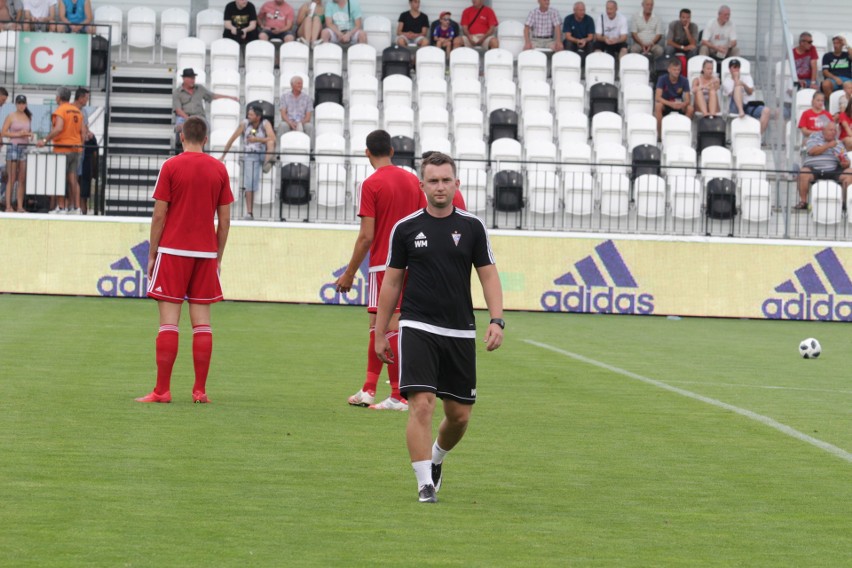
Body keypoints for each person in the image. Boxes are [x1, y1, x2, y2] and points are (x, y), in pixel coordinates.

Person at [373, 151, 504, 504]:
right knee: (422, 404)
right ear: (422, 185)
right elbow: (392, 282)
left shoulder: (473, 227)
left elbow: (488, 274)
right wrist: (382, 330)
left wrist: (497, 319)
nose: (440, 186)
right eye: (433, 180)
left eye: (446, 180)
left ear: (456, 184)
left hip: (460, 330)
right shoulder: (406, 228)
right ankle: (423, 484)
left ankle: (436, 459)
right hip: (416, 325)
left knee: (459, 416)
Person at [136, 116, 233, 404]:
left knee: (169, 322)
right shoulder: (219, 169)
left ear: (181, 136)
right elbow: (225, 220)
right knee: (202, 323)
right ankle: (199, 390)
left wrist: (152, 253)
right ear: (206, 139)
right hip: (205, 253)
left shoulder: (171, 166)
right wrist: (217, 256)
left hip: (173, 250)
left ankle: (162, 391)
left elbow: (159, 214)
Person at [218, 103, 274, 220]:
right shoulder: (244, 124)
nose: (248, 116)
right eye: (248, 114)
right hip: (250, 155)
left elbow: (273, 138)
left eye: (251, 114)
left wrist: (256, 139)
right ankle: (249, 212)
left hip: (262, 152)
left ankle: (268, 162)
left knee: (270, 142)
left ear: (258, 116)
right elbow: (232, 138)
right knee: (249, 184)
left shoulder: (265, 123)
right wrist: (223, 155)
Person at [38, 86, 84, 215]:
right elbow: (82, 131)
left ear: (59, 97)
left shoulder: (60, 110)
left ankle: (62, 207)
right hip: (76, 149)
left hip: (62, 149)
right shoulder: (77, 111)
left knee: (59, 178)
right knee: (73, 179)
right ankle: (76, 208)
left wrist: (45, 140)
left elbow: (58, 128)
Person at [796, 122, 852, 210]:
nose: (833, 132)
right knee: (803, 172)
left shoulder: (839, 143)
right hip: (814, 169)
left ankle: (843, 203)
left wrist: (845, 163)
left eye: (835, 130)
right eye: (831, 130)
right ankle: (803, 202)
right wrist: (828, 145)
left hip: (833, 170)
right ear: (823, 130)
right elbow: (812, 151)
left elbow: (845, 159)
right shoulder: (814, 138)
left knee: (850, 172)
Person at [173, 68, 239, 134]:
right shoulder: (177, 92)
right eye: (191, 78)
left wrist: (230, 97)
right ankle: (183, 134)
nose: (193, 80)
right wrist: (189, 120)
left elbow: (213, 96)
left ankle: (189, 129)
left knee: (204, 127)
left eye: (194, 78)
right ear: (184, 79)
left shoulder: (200, 88)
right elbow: (178, 111)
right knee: (179, 127)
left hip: (199, 116)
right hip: (184, 117)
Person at [722, 58, 772, 134]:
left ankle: (758, 136)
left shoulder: (747, 77)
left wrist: (743, 84)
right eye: (734, 67)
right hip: (735, 107)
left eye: (738, 67)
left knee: (766, 111)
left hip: (748, 106)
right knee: (737, 88)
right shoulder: (726, 81)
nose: (736, 69)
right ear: (730, 69)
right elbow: (732, 94)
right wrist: (736, 80)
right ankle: (741, 110)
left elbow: (750, 92)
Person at [2, 94, 32, 213]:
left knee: (22, 178)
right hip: (14, 147)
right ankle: (8, 206)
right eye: (19, 103)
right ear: (16, 104)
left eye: (23, 103)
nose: (21, 105)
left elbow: (29, 131)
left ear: (25, 104)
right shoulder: (11, 116)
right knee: (12, 177)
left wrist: (30, 134)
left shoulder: (28, 117)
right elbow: (3, 132)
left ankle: (20, 206)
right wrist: (18, 134)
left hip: (24, 147)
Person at [654, 57, 692, 135]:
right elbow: (657, 97)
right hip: (666, 103)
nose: (677, 72)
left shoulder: (684, 80)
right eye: (674, 70)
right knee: (658, 106)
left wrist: (682, 104)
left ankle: (683, 131)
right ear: (669, 70)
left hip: (679, 103)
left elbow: (688, 99)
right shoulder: (662, 79)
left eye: (678, 70)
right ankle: (660, 134)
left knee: (690, 108)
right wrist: (671, 104)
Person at [73, 86, 94, 215]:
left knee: (78, 177)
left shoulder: (84, 112)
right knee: (72, 177)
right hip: (73, 147)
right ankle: (72, 205)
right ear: (80, 98)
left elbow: (85, 128)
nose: (87, 100)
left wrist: (88, 134)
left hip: (81, 149)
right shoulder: (71, 110)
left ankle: (78, 207)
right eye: (86, 98)